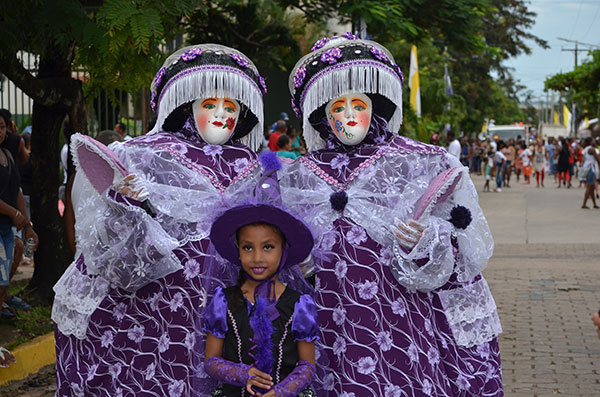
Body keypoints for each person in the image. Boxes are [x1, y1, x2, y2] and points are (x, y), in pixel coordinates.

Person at [282, 34, 502, 396]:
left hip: (401, 313)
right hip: (327, 313)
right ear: (323, 115)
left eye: (359, 104)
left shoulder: (421, 161)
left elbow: (467, 244)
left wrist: (430, 238)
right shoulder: (297, 174)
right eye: (338, 107)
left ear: (377, 106)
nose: (350, 116)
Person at [52, 44, 268, 396]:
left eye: (230, 106)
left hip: (228, 306)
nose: (220, 114)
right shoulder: (145, 156)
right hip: (155, 311)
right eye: (209, 104)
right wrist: (125, 205)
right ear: (186, 106)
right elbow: (104, 247)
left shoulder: (252, 165)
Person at [200, 161, 318, 396]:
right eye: (247, 247)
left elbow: (307, 366)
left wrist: (281, 391)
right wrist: (243, 374)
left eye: (267, 247)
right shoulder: (224, 300)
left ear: (283, 249)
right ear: (237, 250)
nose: (256, 257)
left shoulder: (300, 305)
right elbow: (211, 360)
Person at [0, 112, 38, 318]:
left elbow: (17, 192)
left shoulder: (7, 156)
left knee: (3, 282)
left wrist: (29, 227)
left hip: (7, 228)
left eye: (2, 126)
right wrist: (13, 212)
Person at [580, 137, 600, 209]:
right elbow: (598, 159)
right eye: (593, 140)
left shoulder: (585, 149)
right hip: (591, 169)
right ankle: (584, 204)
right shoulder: (592, 149)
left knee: (591, 188)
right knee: (589, 186)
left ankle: (594, 204)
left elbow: (582, 160)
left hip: (587, 169)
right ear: (591, 142)